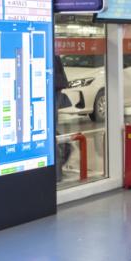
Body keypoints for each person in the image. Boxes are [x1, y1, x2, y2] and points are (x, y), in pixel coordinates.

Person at [53, 54, 71, 182]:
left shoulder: (49, 53)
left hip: (53, 89)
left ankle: (56, 174)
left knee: (50, 133)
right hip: (54, 88)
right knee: (51, 131)